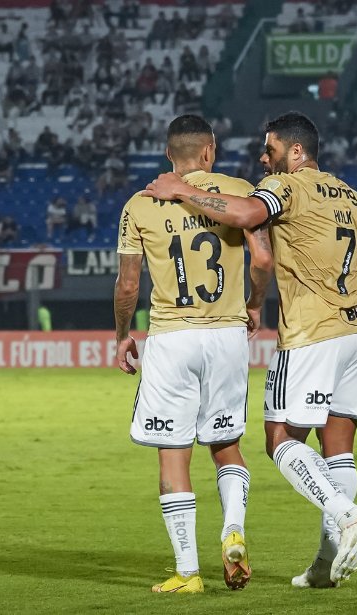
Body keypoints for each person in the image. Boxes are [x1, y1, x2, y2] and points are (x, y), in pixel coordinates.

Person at [144, 111, 357, 588]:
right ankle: (327, 566)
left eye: (270, 150)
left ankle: (348, 516)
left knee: (279, 437)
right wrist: (351, 300)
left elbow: (246, 214)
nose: (263, 159)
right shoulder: (353, 196)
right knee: (338, 448)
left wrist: (181, 190)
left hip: (311, 334)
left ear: (296, 151)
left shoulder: (288, 187)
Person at [115, 115, 274, 594]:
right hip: (226, 335)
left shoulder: (140, 203)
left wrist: (123, 333)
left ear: (169, 155)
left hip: (171, 338)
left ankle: (188, 571)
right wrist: (254, 304)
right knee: (226, 446)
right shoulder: (238, 192)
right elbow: (263, 259)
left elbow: (127, 285)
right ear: (210, 152)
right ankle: (233, 531)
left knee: (173, 455)